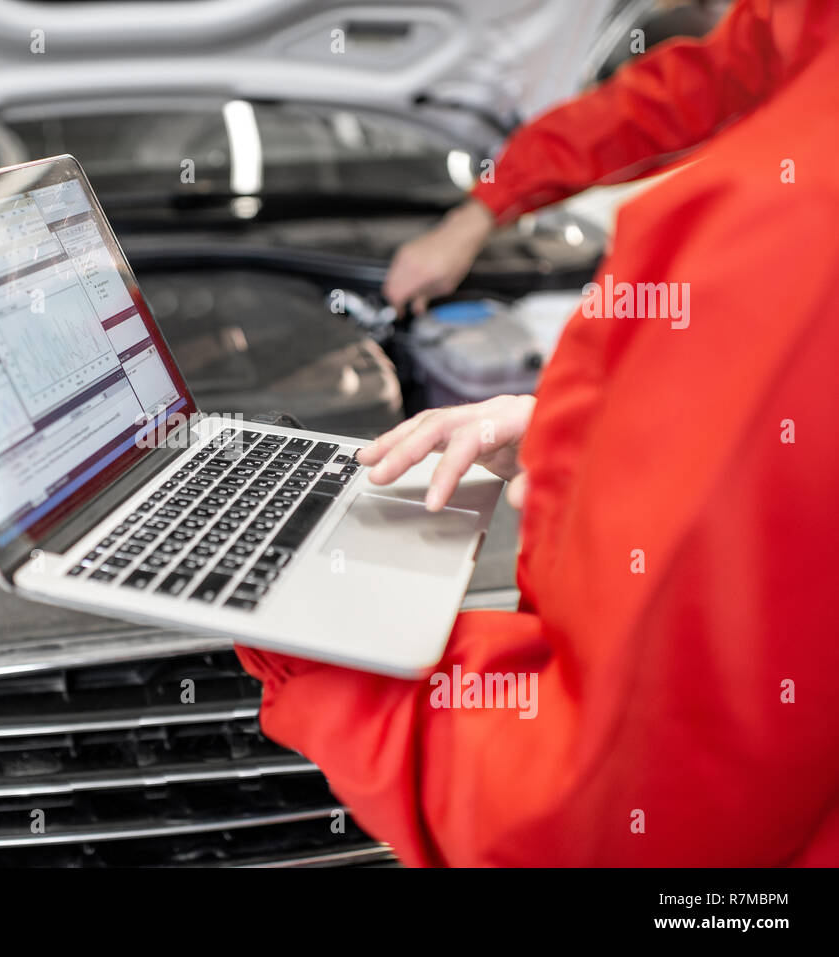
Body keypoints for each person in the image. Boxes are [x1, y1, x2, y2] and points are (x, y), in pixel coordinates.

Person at [236, 0, 839, 865]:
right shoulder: (801, 70)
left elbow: (608, 822)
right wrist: (586, 418)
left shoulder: (780, 228)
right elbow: (687, 84)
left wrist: (303, 636)